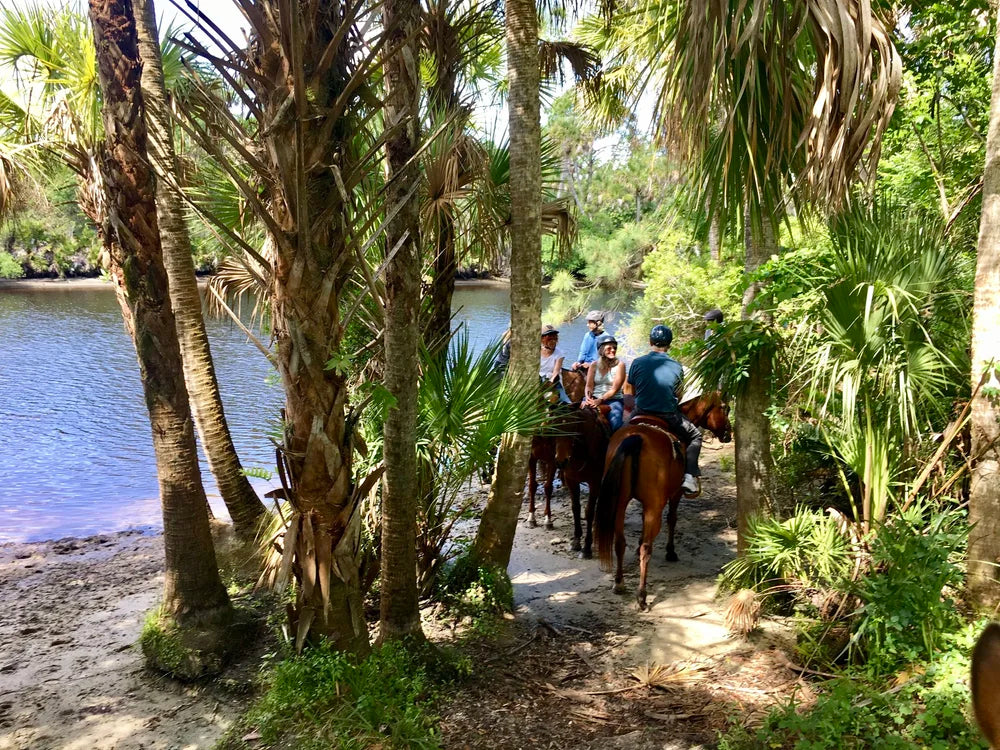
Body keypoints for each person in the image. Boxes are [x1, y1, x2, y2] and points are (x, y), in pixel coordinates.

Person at [626, 324, 702, 494]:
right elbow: (678, 394)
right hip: (667, 415)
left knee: (617, 434)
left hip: (641, 411)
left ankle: (606, 470)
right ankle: (689, 477)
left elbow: (632, 390)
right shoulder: (677, 366)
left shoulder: (637, 362)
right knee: (695, 436)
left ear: (650, 342)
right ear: (669, 344)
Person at [583, 333, 625, 431]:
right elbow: (589, 385)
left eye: (614, 348)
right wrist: (588, 397)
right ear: (601, 350)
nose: (613, 350)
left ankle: (615, 439)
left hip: (613, 400)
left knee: (616, 424)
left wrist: (600, 400)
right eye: (609, 348)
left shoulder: (620, 365)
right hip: (594, 398)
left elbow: (614, 389)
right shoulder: (594, 365)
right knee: (577, 417)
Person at [539, 324, 570, 403]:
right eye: (549, 338)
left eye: (554, 338)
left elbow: (556, 372)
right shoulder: (536, 351)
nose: (552, 341)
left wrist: (550, 382)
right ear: (542, 339)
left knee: (566, 402)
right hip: (538, 380)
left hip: (553, 381)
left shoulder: (559, 353)